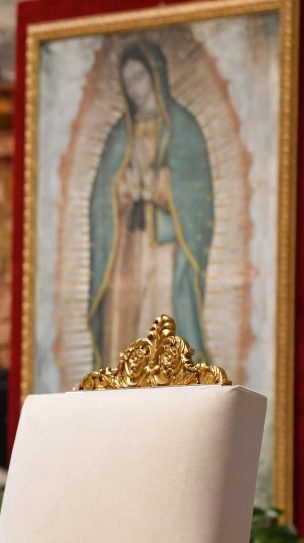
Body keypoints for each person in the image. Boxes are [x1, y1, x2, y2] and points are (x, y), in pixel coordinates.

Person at [88, 42, 214, 367]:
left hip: (166, 245)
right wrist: (123, 189)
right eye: (128, 82)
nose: (135, 89)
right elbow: (103, 194)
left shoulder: (182, 128)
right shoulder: (120, 135)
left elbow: (196, 193)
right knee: (124, 325)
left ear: (156, 76)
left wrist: (159, 185)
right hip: (127, 245)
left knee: (163, 317)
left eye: (140, 78)